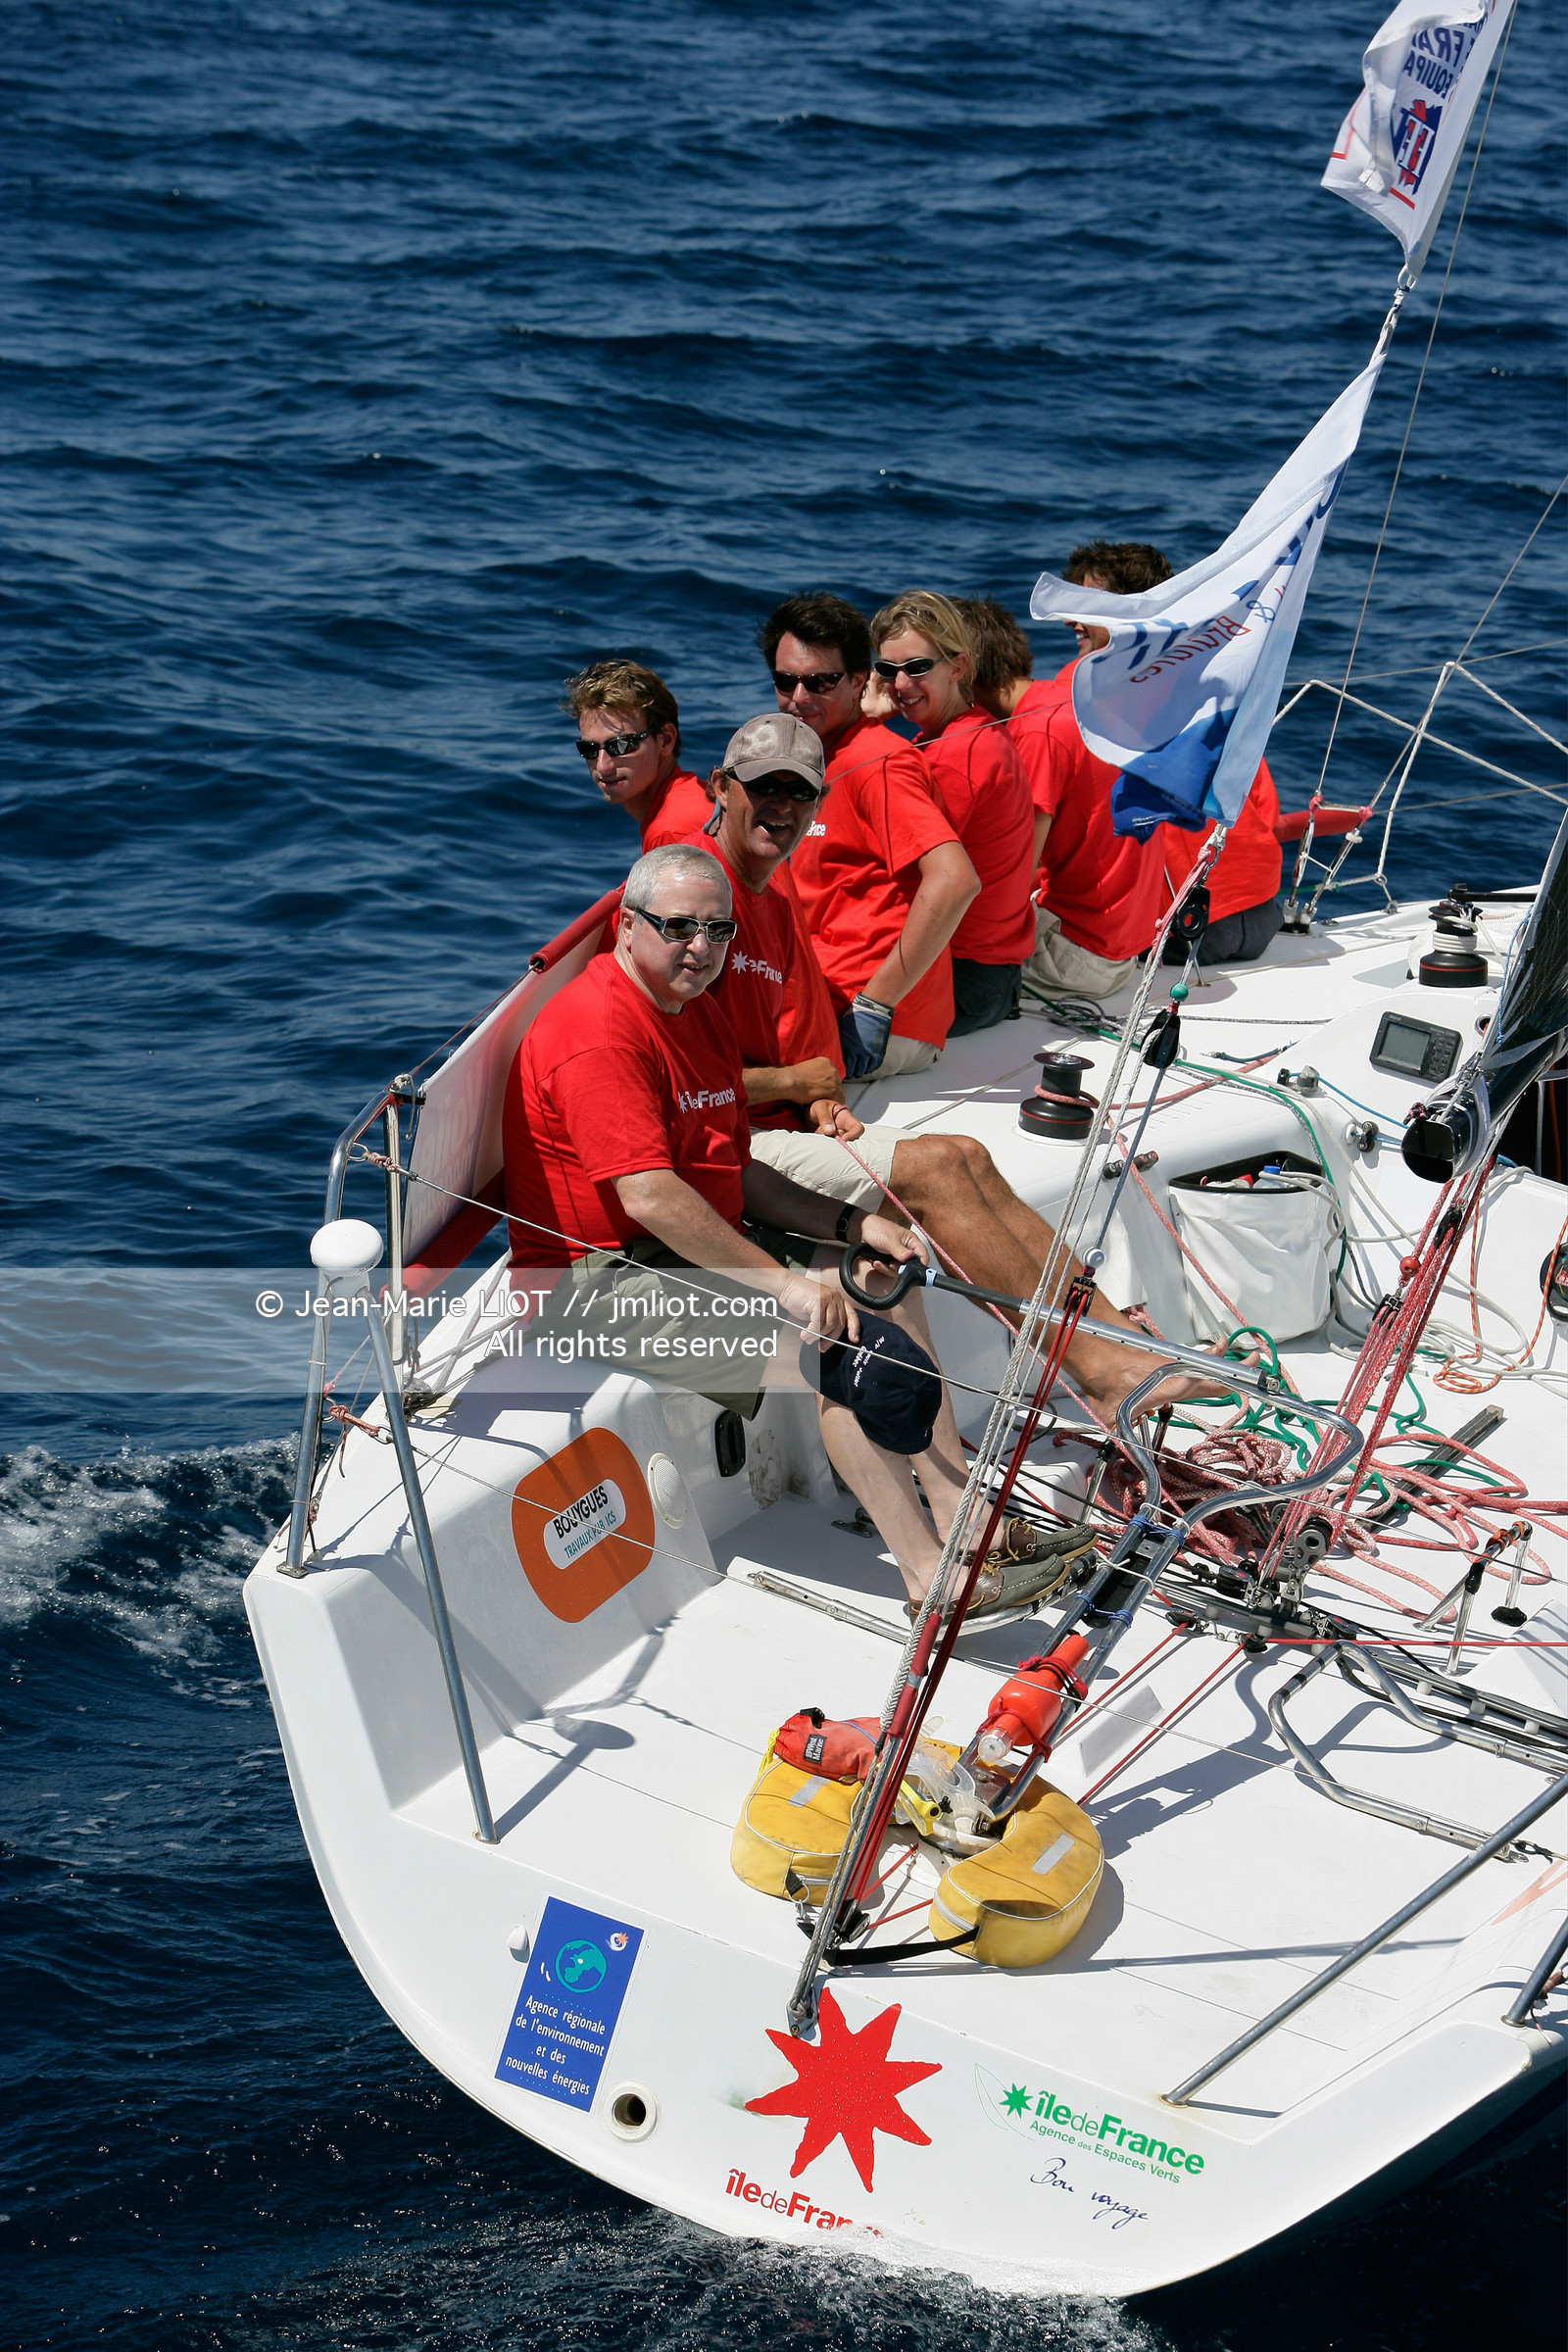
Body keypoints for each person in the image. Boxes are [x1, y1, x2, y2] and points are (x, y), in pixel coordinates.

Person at [503, 840, 1075, 1613]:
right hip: (592, 1283)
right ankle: (931, 1582)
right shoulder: (599, 1029)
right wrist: (784, 1286)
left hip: (672, 1248)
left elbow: (735, 1171)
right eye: (678, 927)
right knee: (840, 1343)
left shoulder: (695, 1011)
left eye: (718, 930)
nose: (701, 947)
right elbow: (651, 1199)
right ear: (627, 927)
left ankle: (962, 1520)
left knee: (878, 1278)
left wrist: (852, 1223)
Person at [692, 713, 1231, 1432]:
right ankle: (1101, 1375)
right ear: (721, 788)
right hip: (717, 1149)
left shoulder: (773, 898)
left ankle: (1121, 1343)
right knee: (940, 1169)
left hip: (768, 1128)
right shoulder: (696, 902)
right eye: (764, 788)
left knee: (968, 1155)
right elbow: (678, 1086)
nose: (781, 806)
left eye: (799, 792)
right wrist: (797, 1085)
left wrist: (818, 1102)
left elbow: (797, 1053)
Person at [759, 591, 980, 1081]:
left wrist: (875, 1005)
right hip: (820, 991)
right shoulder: (820, 756)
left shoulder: (878, 762)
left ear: (860, 680)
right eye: (786, 681)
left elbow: (955, 880)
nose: (799, 697)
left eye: (821, 681)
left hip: (872, 1021)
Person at [961, 561, 1166, 1002]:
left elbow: (1015, 877)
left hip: (1077, 956)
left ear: (964, 675)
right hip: (1123, 949)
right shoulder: (1070, 699)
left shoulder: (1035, 733)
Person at [868, 591, 1037, 1035]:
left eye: (917, 667)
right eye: (887, 670)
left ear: (958, 667)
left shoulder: (955, 756)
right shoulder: (972, 730)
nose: (900, 684)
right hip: (994, 975)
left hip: (966, 980)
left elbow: (900, 882)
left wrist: (860, 727)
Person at [564, 659, 713, 848]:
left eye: (620, 745)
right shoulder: (692, 797)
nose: (602, 766)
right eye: (589, 749)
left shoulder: (671, 833)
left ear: (666, 740)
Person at [1156, 765, 1285, 964]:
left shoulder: (1121, 751)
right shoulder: (1237, 743)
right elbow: (1269, 815)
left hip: (1184, 930)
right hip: (1263, 919)